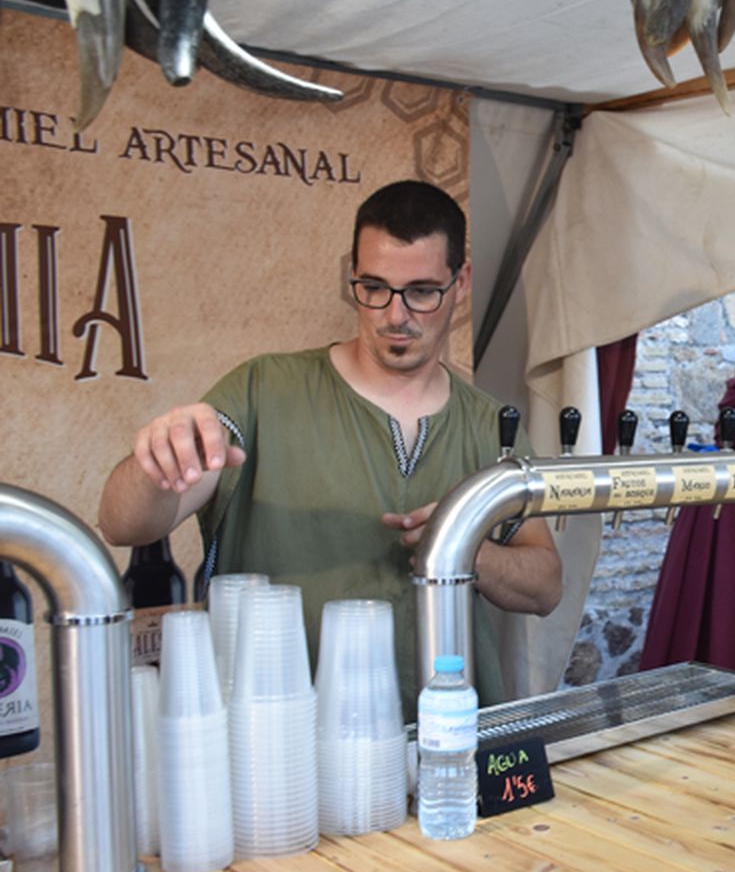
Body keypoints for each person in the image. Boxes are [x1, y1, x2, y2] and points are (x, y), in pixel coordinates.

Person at [98, 180, 561, 713]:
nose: (395, 315)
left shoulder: (488, 423)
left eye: (421, 291)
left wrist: (461, 549)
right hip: (283, 748)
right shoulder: (262, 390)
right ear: (354, 278)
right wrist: (156, 462)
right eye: (374, 288)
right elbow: (123, 524)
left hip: (450, 742)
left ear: (460, 284)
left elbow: (545, 586)